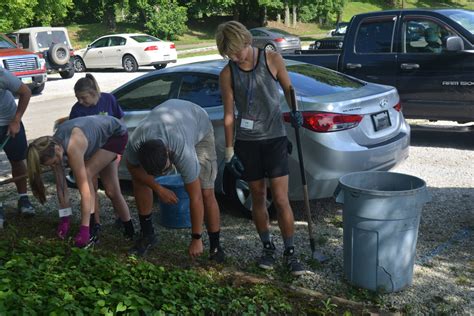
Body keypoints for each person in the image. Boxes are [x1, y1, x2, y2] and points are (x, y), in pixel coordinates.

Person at [216, 21, 305, 275]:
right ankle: (267, 247)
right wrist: (229, 151)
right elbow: (229, 114)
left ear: (246, 41)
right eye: (229, 54)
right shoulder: (228, 73)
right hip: (247, 144)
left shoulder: (272, 59)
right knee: (257, 197)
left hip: (274, 139)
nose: (234, 57)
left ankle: (290, 251)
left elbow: (289, 90)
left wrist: (295, 110)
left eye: (236, 52)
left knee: (280, 198)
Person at [125, 99, 224, 262]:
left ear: (169, 153)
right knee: (140, 180)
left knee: (206, 192)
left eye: (165, 170)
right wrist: (158, 188)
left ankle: (215, 247)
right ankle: (147, 234)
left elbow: (196, 197)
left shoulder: (182, 151)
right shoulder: (136, 142)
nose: (163, 173)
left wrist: (196, 238)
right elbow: (132, 168)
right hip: (169, 119)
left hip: (198, 122)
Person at [27, 115, 133, 247]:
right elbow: (61, 187)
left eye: (55, 162)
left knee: (87, 175)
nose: (55, 166)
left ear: (57, 149)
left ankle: (95, 229)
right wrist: (64, 219)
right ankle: (129, 231)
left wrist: (84, 229)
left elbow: (85, 192)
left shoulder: (73, 146)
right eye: (51, 165)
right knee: (111, 191)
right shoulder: (54, 148)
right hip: (96, 141)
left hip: (115, 135)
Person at [68, 73, 131, 243]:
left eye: (83, 97)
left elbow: (121, 122)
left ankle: (128, 227)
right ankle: (95, 224)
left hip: (110, 147)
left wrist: (118, 151)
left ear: (94, 92)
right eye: (78, 98)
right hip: (89, 152)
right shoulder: (77, 110)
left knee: (112, 190)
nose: (81, 101)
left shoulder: (108, 99)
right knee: (90, 187)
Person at [0, 68, 36, 228]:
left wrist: (16, 120)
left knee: (18, 160)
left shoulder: (1, 75)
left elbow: (26, 92)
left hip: (9, 122)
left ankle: (23, 198)